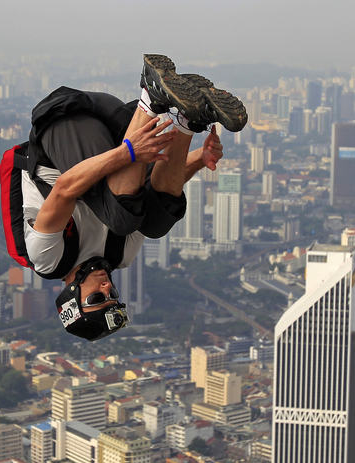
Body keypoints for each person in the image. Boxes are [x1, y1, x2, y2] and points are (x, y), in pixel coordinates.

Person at [21, 54, 246, 340]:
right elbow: (152, 192)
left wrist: (129, 151)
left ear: (72, 297)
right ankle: (187, 120)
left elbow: (65, 187)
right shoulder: (121, 255)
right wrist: (199, 159)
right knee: (153, 225)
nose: (107, 288)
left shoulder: (48, 259)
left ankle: (151, 97)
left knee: (123, 219)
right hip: (119, 123)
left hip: (64, 122)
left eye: (95, 299)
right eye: (113, 295)